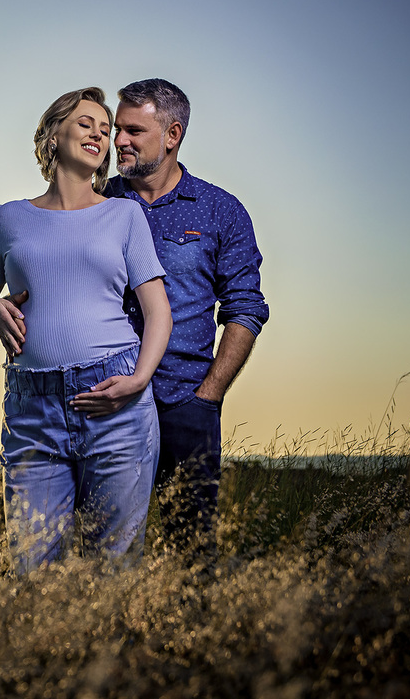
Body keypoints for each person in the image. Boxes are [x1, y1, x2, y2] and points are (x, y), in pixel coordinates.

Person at [0, 87, 173, 575]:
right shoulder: (10, 218)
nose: (99, 134)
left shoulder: (124, 214)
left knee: (112, 575)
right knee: (33, 575)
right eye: (85, 123)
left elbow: (158, 312)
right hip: (32, 409)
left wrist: (139, 380)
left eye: (105, 128)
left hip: (115, 402)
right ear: (53, 134)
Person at [104, 78, 269, 556]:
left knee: (191, 553)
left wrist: (208, 397)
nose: (119, 141)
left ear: (172, 134)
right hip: (106, 402)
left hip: (184, 404)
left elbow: (245, 308)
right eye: (117, 129)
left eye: (134, 131)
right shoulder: (96, 202)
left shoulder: (221, 211)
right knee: (106, 550)